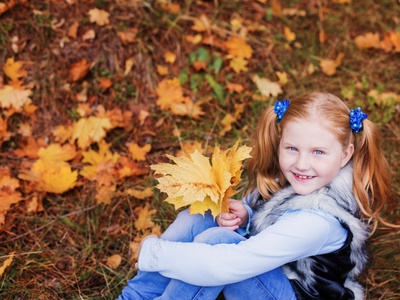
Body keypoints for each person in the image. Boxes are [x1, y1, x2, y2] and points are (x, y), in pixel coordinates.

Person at [117, 92, 393, 300]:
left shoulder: (319, 220)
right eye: (292, 148)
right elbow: (274, 223)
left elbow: (233, 264)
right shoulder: (299, 180)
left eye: (318, 152)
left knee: (218, 242)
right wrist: (248, 216)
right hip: (275, 275)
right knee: (199, 217)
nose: (301, 163)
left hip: (299, 294)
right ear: (280, 142)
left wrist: (156, 254)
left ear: (345, 155)